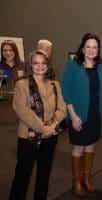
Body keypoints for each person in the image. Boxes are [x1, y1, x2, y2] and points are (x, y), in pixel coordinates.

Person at [9, 50, 66, 200]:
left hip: (50, 136)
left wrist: (53, 126)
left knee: (44, 175)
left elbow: (62, 108)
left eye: (43, 63)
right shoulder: (22, 85)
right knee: (22, 175)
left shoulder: (55, 84)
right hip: (28, 136)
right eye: (36, 63)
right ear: (30, 65)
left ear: (48, 65)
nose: (40, 66)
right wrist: (43, 128)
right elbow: (22, 110)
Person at [62, 33, 102, 198]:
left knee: (91, 146)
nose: (91, 50)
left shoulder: (100, 67)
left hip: (94, 115)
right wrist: (73, 115)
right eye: (88, 47)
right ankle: (76, 181)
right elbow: (66, 90)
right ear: (82, 48)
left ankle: (86, 178)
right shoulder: (72, 65)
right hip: (78, 115)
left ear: (98, 50)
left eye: (94, 47)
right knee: (79, 148)